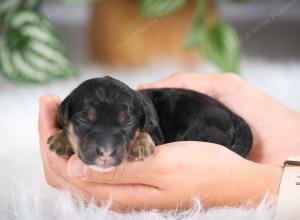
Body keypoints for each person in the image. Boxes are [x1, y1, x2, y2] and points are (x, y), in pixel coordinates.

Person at [38, 73, 300, 210]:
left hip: (201, 118)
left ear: (140, 121)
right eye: (86, 121)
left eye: (125, 124)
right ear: (66, 116)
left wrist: (248, 183)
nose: (106, 149)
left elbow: (154, 136)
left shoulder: (147, 119)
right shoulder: (70, 116)